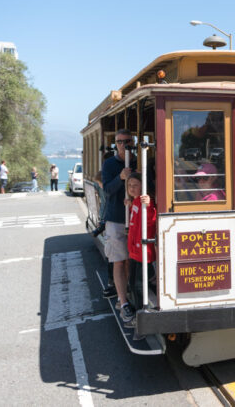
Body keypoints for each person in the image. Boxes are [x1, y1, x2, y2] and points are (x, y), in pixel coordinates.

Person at [102, 129, 136, 325]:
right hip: (115, 219)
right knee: (119, 261)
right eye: (120, 142)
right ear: (116, 145)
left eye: (127, 141)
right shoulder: (109, 164)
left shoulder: (139, 162)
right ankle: (123, 303)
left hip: (135, 219)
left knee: (131, 260)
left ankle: (129, 295)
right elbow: (107, 190)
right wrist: (121, 178)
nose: (124, 145)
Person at [125, 172, 157, 312]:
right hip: (134, 250)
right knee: (133, 282)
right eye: (129, 185)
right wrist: (131, 205)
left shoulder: (145, 203)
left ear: (142, 187)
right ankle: (136, 307)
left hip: (142, 250)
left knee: (138, 284)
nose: (131, 188)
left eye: (135, 185)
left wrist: (148, 205)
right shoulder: (136, 201)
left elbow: (151, 221)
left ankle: (140, 311)